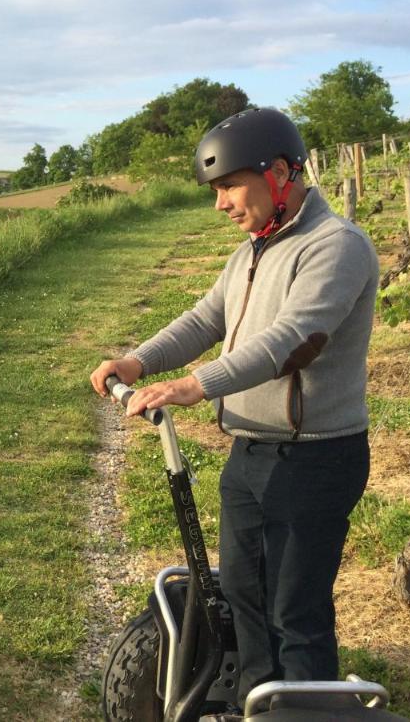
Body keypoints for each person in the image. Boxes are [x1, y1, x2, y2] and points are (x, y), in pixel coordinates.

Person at [90, 107, 379, 708]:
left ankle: (306, 709)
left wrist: (199, 385)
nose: (220, 203)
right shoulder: (255, 249)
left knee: (293, 609)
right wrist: (138, 361)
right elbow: (206, 318)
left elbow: (294, 338)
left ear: (277, 173)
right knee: (245, 598)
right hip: (250, 452)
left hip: (316, 459)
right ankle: (258, 706)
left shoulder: (336, 246)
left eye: (227, 186)